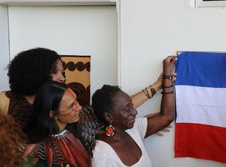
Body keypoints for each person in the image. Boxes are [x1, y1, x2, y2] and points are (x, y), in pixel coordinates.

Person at [0, 47, 165, 130]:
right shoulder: (6, 101)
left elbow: (115, 108)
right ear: (35, 73)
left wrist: (156, 86)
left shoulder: (67, 104)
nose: (62, 78)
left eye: (63, 72)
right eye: (54, 72)